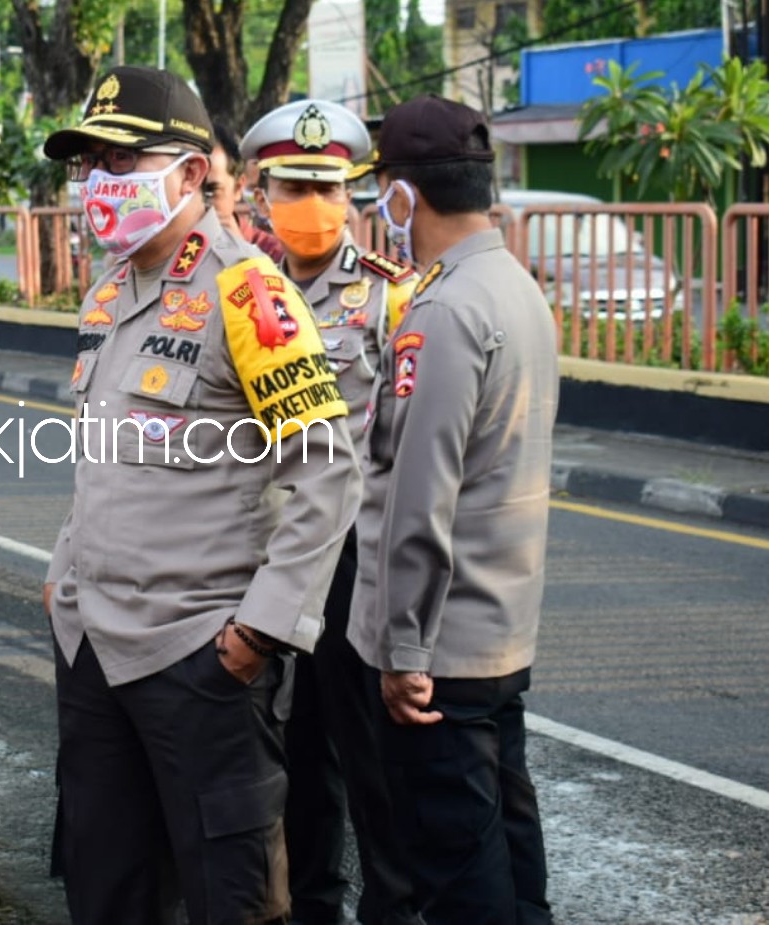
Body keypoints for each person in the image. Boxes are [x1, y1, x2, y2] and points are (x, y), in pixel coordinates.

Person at [41, 66, 360, 925]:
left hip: (198, 653)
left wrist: (258, 629)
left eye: (124, 158)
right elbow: (102, 454)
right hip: (93, 648)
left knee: (233, 895)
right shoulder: (109, 290)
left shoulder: (246, 288)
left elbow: (327, 467)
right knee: (106, 885)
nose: (102, 180)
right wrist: (64, 568)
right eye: (91, 162)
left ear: (190, 172)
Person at [347, 95, 557, 924]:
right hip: (503, 634)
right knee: (509, 846)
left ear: (403, 196)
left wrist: (402, 651)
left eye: (380, 191)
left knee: (457, 876)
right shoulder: (517, 291)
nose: (375, 209)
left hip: (442, 658)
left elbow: (418, 496)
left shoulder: (441, 312)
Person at [241, 98, 421, 925]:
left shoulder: (390, 298)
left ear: (352, 196)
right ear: (262, 193)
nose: (311, 205)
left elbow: (405, 441)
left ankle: (392, 904)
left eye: (326, 187)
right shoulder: (242, 290)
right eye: (293, 187)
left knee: (369, 748)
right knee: (294, 744)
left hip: (354, 553)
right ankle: (314, 903)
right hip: (267, 547)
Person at [207, 123, 284, 261]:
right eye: (188, 191)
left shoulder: (272, 253)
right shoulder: (164, 247)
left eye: (211, 192)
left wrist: (241, 254)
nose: (197, 204)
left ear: (238, 188)